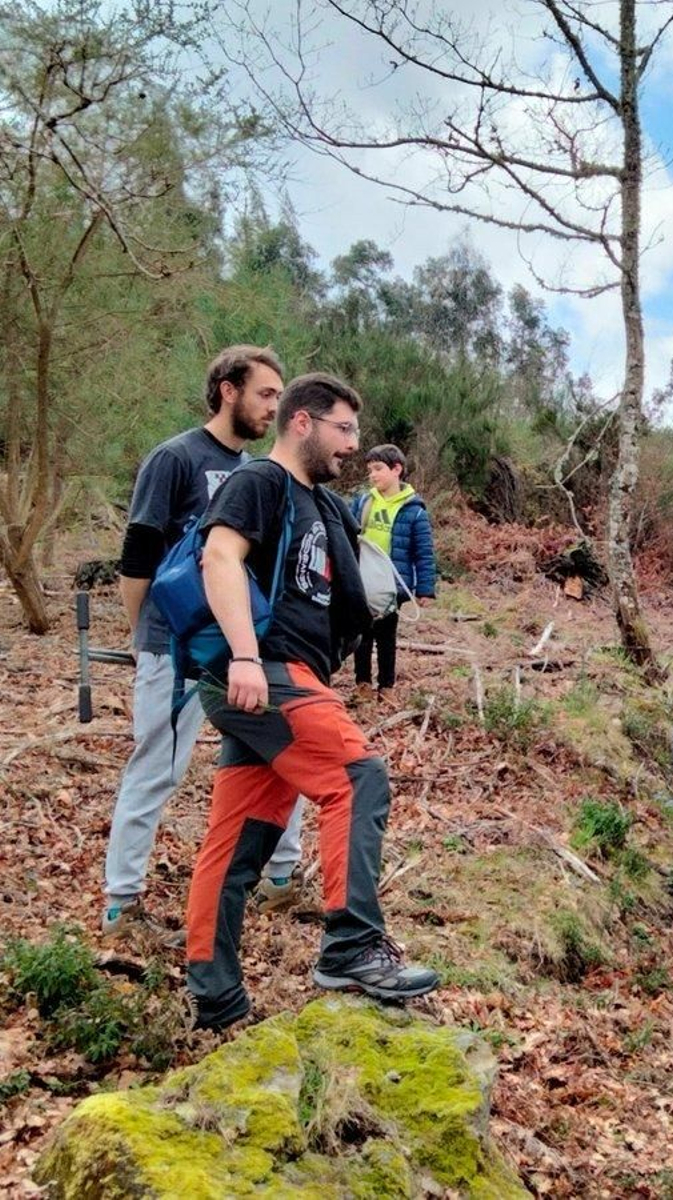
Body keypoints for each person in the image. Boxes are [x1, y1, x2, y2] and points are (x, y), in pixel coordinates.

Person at [184, 372, 439, 1030]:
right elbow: (219, 558)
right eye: (343, 429)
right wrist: (243, 654)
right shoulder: (261, 483)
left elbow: (355, 594)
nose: (353, 444)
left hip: (296, 678)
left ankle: (214, 997)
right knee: (358, 777)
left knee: (242, 838)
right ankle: (351, 944)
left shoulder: (323, 506)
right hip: (261, 671)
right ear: (302, 422)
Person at [103, 346, 308, 938]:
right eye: (265, 393)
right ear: (227, 389)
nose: (274, 405)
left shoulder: (258, 471)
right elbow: (139, 551)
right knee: (157, 767)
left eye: (278, 395)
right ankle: (122, 904)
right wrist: (149, 635)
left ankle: (281, 879)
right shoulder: (176, 457)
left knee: (280, 748)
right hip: (174, 646)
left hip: (241, 647)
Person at [350, 443, 436, 692]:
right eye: (370, 470)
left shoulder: (413, 510)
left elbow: (424, 552)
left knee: (386, 637)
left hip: (392, 583)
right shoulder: (364, 502)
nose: (373, 475)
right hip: (363, 580)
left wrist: (425, 589)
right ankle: (362, 685)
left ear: (396, 469)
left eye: (378, 468)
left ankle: (386, 687)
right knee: (362, 635)